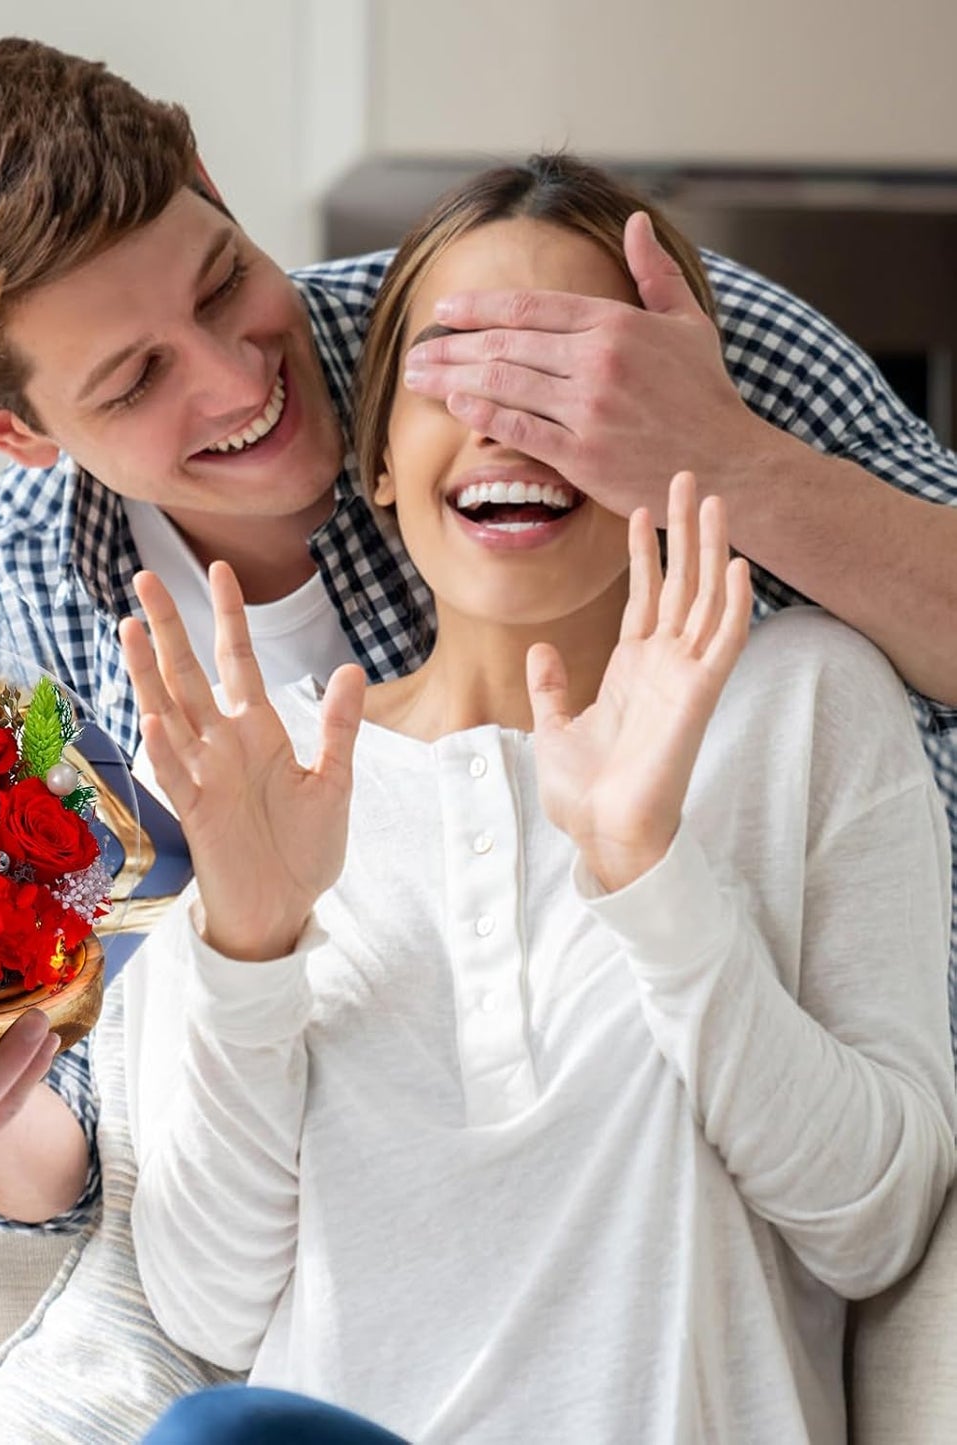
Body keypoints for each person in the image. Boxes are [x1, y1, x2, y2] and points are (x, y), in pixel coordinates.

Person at [0, 38, 957, 1242]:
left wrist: (725, 458)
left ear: (210, 177)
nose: (234, 374)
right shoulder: (13, 625)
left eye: (218, 286)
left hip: (806, 1161)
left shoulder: (567, 326)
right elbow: (73, 1168)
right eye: (136, 378)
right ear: (7, 424)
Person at [116, 157, 957, 1442]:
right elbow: (207, 1306)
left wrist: (649, 874)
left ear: (660, 431)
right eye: (456, 360)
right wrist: (251, 940)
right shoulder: (265, 770)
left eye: (562, 365)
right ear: (383, 458)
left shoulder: (798, 704)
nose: (508, 416)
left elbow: (877, 1226)